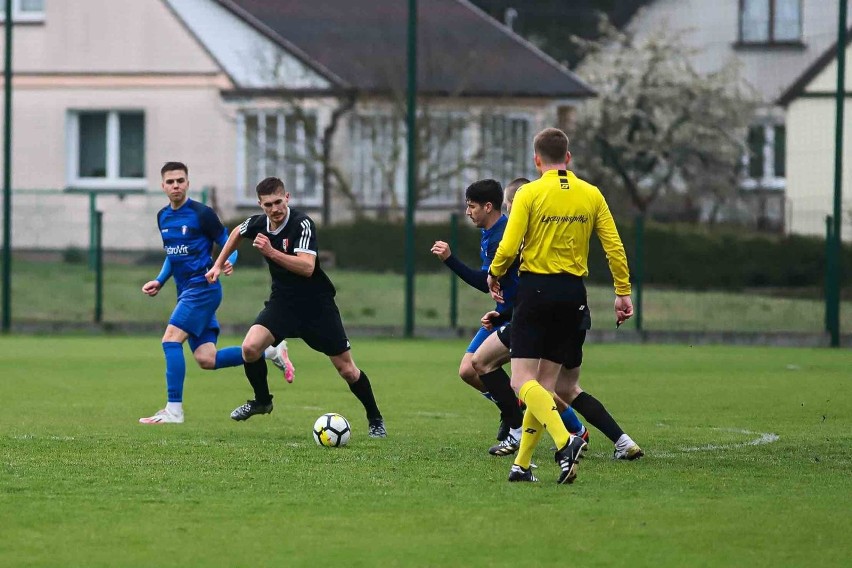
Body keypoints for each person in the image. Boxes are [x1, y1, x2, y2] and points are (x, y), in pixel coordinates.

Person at [487, 127, 634, 484]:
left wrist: (494, 272)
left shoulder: (530, 193)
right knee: (545, 386)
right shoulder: (591, 194)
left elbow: (509, 245)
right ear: (567, 157)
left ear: (537, 160)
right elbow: (613, 245)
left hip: (537, 291)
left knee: (522, 383)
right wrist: (622, 292)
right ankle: (521, 466)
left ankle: (565, 440)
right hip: (573, 297)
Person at [205, 176, 386, 438]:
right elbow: (236, 232)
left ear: (287, 198)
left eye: (278, 202)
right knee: (250, 348)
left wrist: (270, 252)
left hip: (317, 307)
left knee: (347, 369)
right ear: (260, 204)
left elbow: (307, 267)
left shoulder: (302, 224)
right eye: (268, 205)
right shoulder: (258, 223)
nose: (274, 209)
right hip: (283, 304)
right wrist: (218, 264)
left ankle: (375, 418)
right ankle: (262, 401)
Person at [431, 178, 586, 449]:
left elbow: (485, 281)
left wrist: (450, 260)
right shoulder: (490, 232)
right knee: (469, 370)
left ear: (488, 206)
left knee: (530, 385)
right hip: (503, 314)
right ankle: (513, 413)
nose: (468, 212)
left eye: (471, 207)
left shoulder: (504, 234)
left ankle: (569, 428)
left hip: (521, 316)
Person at [139, 162, 294, 425]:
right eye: (170, 182)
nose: (175, 185)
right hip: (185, 291)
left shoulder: (202, 214)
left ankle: (173, 410)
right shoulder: (162, 217)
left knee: (170, 341)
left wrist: (224, 262)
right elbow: (172, 255)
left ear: (188, 183)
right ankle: (269, 351)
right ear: (162, 186)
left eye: (180, 180)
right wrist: (160, 280)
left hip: (203, 289)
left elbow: (229, 242)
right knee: (206, 359)